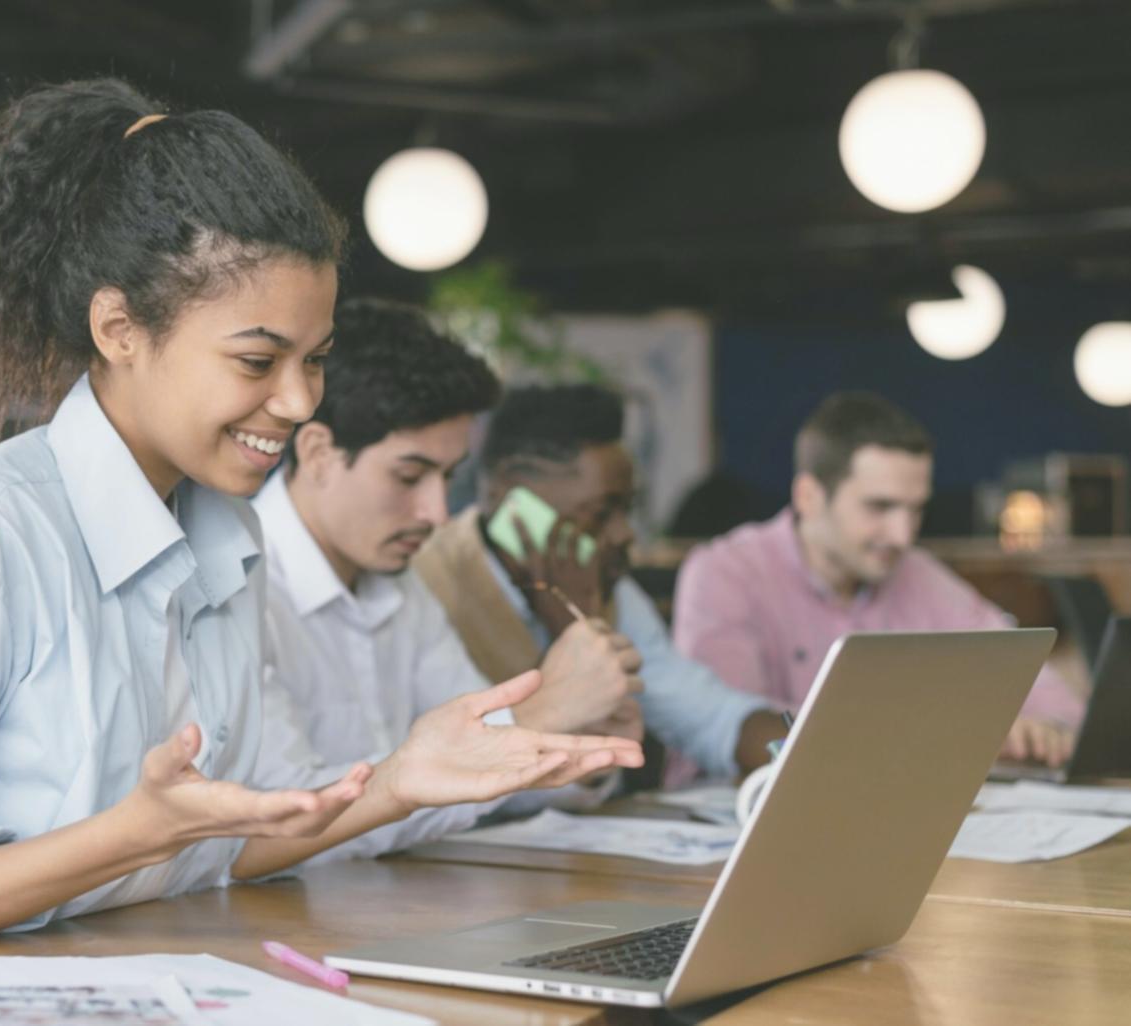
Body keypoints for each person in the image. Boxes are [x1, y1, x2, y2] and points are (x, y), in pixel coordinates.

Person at [0, 79, 641, 979]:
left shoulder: (223, 538)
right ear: (119, 328)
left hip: (105, 981)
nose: (299, 401)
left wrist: (400, 781)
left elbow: (221, 845)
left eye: (315, 361)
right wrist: (137, 834)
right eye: (258, 360)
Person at [252, 300, 645, 857]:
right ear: (317, 452)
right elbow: (270, 832)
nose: (436, 513)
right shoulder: (235, 587)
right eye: (409, 476)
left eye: (448, 478)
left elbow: (466, 785)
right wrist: (542, 714)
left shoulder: (401, 585)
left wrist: (578, 749)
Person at [673, 391, 1083, 766]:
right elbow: (733, 730)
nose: (902, 535)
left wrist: (1045, 727)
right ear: (808, 496)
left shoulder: (918, 573)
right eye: (879, 507)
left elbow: (1045, 692)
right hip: (731, 814)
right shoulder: (725, 573)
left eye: (916, 509)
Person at [414, 384, 785, 785]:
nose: (625, 534)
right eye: (600, 513)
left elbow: (707, 714)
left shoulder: (606, 589)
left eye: (627, 509)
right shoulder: (427, 583)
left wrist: (801, 753)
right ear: (506, 496)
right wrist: (572, 636)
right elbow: (457, 776)